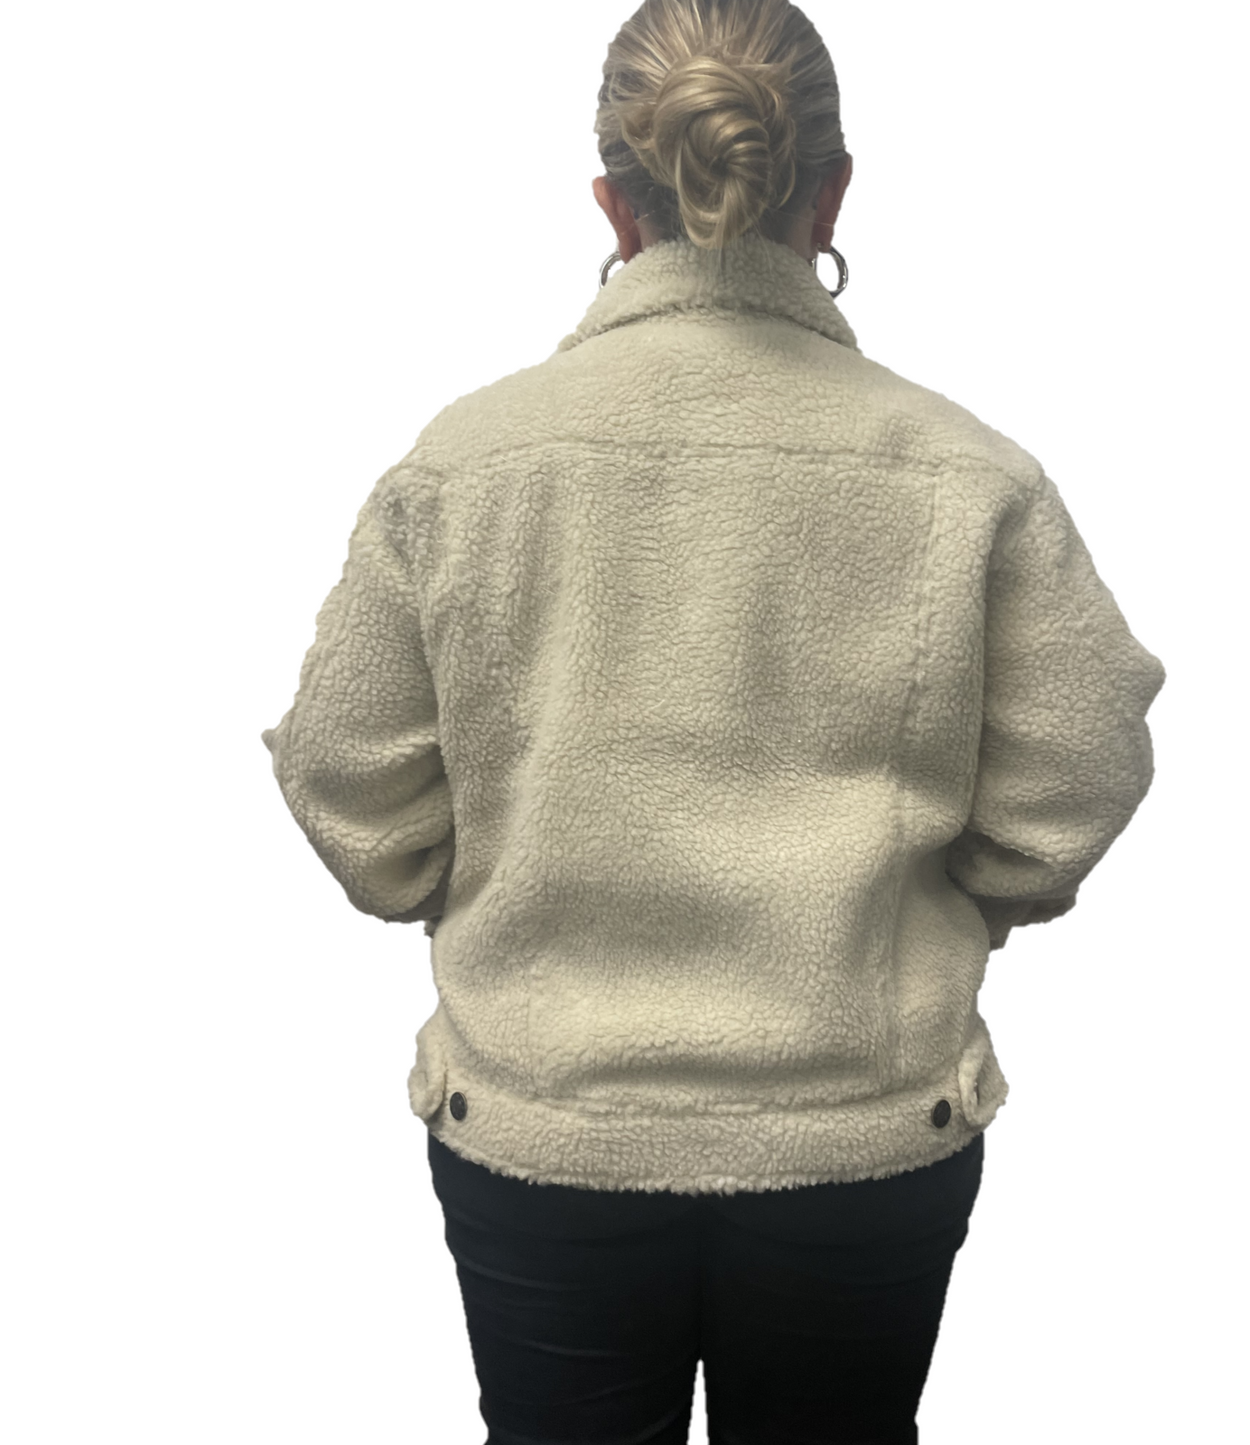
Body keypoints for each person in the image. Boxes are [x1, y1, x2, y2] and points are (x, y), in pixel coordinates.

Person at [260, 1, 1166, 1439]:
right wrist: (937, 907)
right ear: (835, 193)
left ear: (612, 204)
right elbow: (1080, 760)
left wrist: (498, 884)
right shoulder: (966, 471)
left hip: (546, 1130)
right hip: (864, 1133)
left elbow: (349, 784)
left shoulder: (464, 466)